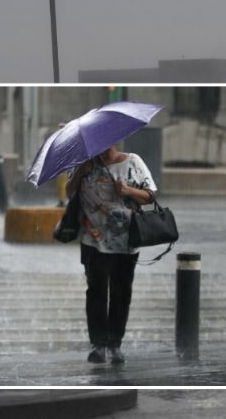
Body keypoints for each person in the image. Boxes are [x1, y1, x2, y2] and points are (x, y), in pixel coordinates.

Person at [65, 143, 156, 364]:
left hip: (126, 242)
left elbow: (150, 196)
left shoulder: (133, 161)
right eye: (98, 147)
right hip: (92, 240)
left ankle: (115, 344)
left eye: (107, 146)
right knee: (96, 293)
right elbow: (69, 193)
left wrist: (127, 191)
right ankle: (98, 345)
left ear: (115, 141)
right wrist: (80, 172)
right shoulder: (84, 165)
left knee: (121, 293)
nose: (103, 151)